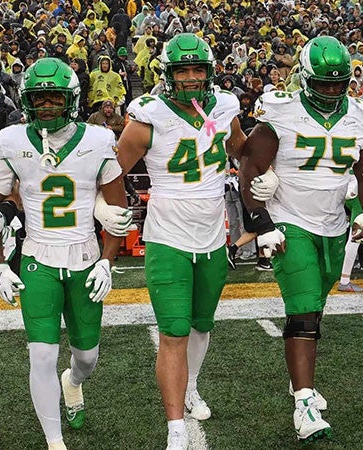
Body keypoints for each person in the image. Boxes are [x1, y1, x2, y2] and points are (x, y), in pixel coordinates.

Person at [0, 57, 130, 450]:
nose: (45, 106)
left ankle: (73, 382)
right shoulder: (11, 140)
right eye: (38, 98)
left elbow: (117, 212)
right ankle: (54, 442)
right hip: (37, 259)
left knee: (87, 358)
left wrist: (108, 262)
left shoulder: (97, 139)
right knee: (41, 356)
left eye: (53, 98)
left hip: (85, 258)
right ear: (26, 100)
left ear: (70, 100)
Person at [238, 36, 363, 443]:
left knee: (314, 307)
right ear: (305, 78)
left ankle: (297, 378)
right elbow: (250, 163)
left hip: (334, 225)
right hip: (290, 222)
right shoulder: (281, 111)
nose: (332, 92)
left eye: (338, 85)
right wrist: (262, 220)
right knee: (302, 311)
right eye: (324, 84)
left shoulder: (359, 116)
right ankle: (303, 401)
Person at [116, 33, 248, 450]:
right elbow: (111, 171)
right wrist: (109, 212)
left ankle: (191, 388)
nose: (191, 77)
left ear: (208, 72)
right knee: (174, 330)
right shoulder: (147, 115)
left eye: (197, 69)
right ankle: (175, 428)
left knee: (202, 325)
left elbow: (242, 149)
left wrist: (262, 169)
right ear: (168, 74)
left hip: (212, 233)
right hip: (168, 234)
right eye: (182, 70)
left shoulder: (225, 106)